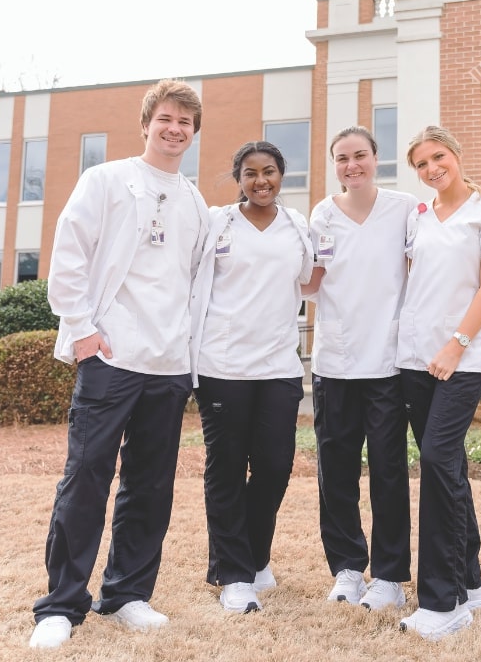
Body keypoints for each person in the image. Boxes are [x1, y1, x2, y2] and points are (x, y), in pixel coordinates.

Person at [29, 79, 210, 650]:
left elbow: (197, 282)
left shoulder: (195, 201)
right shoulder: (105, 180)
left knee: (150, 485)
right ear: (146, 123)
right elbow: (70, 254)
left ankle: (127, 593)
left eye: (185, 120)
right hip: (111, 356)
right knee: (87, 476)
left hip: (169, 362)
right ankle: (61, 604)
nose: (174, 127)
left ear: (193, 132)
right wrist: (83, 332)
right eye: (166, 117)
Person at [397, 125, 481, 641]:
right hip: (413, 359)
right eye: (421, 164)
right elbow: (413, 281)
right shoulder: (418, 216)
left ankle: (443, 604)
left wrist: (457, 345)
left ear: (457, 155)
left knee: (437, 461)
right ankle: (471, 585)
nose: (431, 170)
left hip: (461, 361)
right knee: (450, 471)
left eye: (438, 157)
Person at [192, 141, 314, 614]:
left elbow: (309, 279)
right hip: (222, 365)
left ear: (282, 175)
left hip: (280, 365)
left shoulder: (297, 226)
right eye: (250, 173)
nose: (260, 180)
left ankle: (253, 556)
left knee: (275, 466)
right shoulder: (218, 222)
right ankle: (235, 575)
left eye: (269, 171)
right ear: (238, 177)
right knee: (225, 467)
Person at [307, 125, 416, 611]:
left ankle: (390, 576)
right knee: (336, 470)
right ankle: (348, 568)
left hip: (389, 363)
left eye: (360, 155)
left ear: (376, 157)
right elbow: (310, 279)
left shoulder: (404, 209)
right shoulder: (322, 214)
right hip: (335, 362)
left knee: (389, 472)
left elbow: (423, 270)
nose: (351, 165)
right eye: (341, 158)